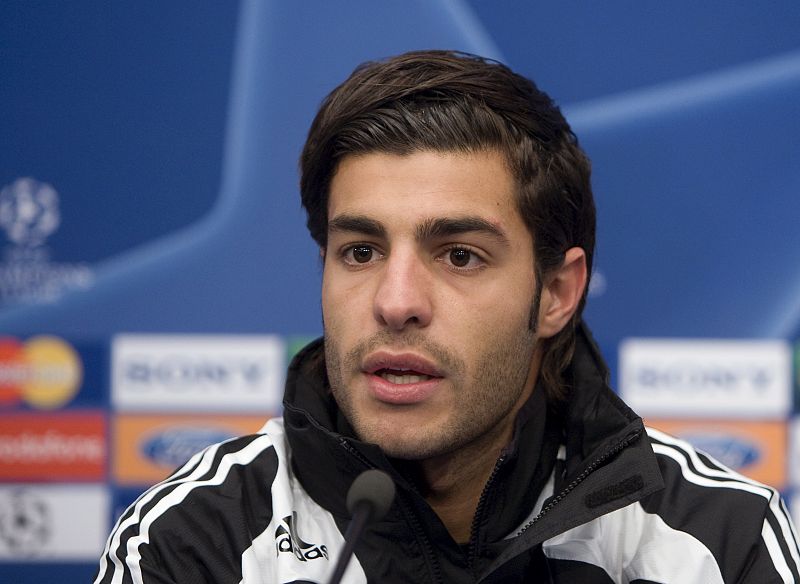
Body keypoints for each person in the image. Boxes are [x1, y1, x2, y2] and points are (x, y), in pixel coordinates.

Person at [95, 50, 800, 584]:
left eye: (459, 255)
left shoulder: (720, 539)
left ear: (556, 292)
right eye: (362, 250)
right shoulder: (193, 542)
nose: (395, 302)